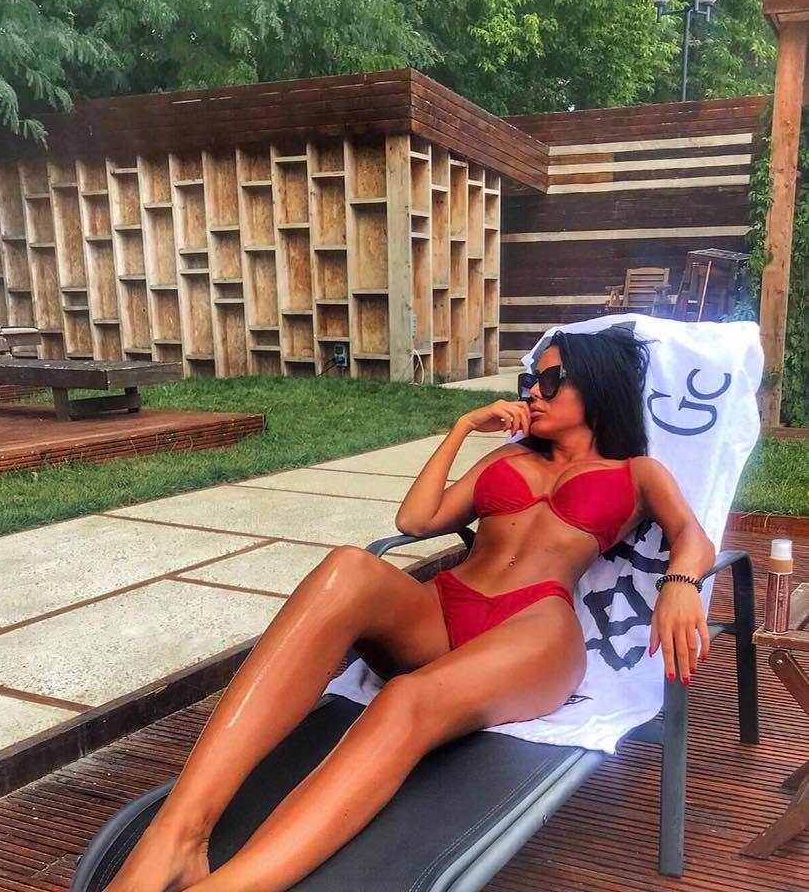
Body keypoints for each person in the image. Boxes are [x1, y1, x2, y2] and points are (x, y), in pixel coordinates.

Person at [104, 327, 714, 892]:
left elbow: (691, 534)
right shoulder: (506, 459)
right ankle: (176, 834)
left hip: (533, 630)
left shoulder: (637, 472)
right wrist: (461, 428)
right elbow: (417, 520)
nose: (533, 391)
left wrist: (681, 583)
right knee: (347, 567)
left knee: (404, 699)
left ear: (598, 386)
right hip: (443, 611)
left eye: (550, 380)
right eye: (529, 380)